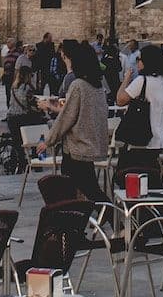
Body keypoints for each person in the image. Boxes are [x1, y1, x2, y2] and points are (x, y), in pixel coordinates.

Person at [37, 40, 110, 201]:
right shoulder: (96, 86)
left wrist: (48, 141)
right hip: (88, 145)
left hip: (76, 148)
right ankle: (105, 218)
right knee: (88, 189)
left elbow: (66, 117)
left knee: (83, 190)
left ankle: (112, 217)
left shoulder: (78, 86)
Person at [115, 46, 163, 152]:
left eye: (139, 59)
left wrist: (126, 79)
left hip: (141, 140)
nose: (137, 63)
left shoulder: (142, 81)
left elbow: (120, 100)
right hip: (158, 139)